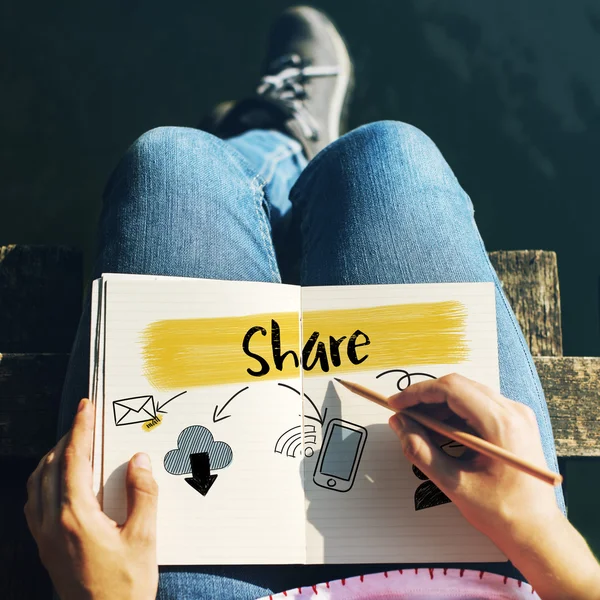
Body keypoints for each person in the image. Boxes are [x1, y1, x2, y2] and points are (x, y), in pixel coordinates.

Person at [24, 6, 600, 599]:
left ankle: (267, 148)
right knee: (387, 155)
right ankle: (283, 153)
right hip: (481, 574)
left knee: (172, 164)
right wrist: (547, 537)